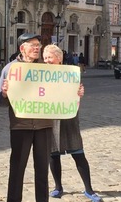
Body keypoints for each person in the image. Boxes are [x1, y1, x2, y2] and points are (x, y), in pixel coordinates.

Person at [0, 33, 53, 202]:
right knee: (17, 170)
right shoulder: (10, 69)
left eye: (38, 45)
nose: (37, 48)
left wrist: (75, 92)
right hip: (20, 126)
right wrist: (5, 94)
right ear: (22, 48)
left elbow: (60, 93)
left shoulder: (46, 68)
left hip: (44, 125)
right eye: (33, 45)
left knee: (42, 169)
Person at [43, 44, 103, 202]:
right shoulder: (40, 74)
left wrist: (79, 92)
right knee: (53, 155)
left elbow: (76, 91)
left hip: (68, 117)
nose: (47, 60)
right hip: (50, 117)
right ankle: (58, 187)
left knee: (78, 153)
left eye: (50, 57)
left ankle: (89, 189)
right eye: (45, 58)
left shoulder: (70, 73)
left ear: (59, 58)